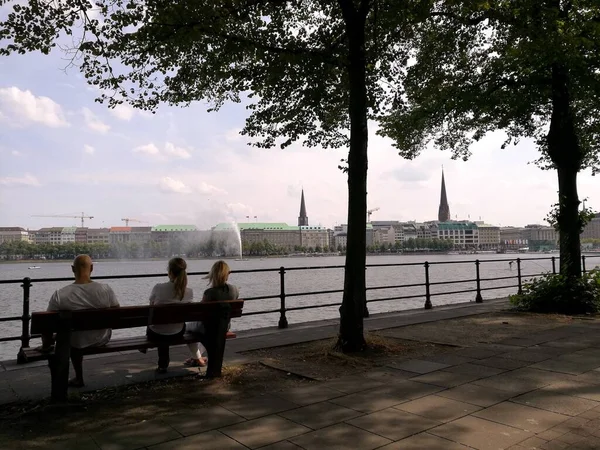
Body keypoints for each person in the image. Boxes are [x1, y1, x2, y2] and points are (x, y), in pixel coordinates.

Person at [41, 254, 119, 388]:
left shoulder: (60, 295)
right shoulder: (106, 289)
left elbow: (47, 324)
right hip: (102, 338)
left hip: (75, 342)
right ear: (92, 268)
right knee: (76, 336)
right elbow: (117, 313)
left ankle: (78, 378)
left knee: (72, 337)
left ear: (72, 269)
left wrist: (46, 344)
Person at [185, 260, 239, 367]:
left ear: (213, 274)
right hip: (225, 326)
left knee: (187, 329)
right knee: (207, 330)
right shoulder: (234, 290)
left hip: (208, 327)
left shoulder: (209, 293)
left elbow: (200, 312)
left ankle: (197, 358)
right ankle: (197, 357)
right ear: (227, 274)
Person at [147, 257, 193, 373]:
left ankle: (163, 365)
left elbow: (150, 307)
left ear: (170, 272)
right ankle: (162, 364)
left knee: (159, 327)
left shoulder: (158, 287)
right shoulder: (189, 291)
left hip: (156, 334)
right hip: (178, 333)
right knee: (167, 326)